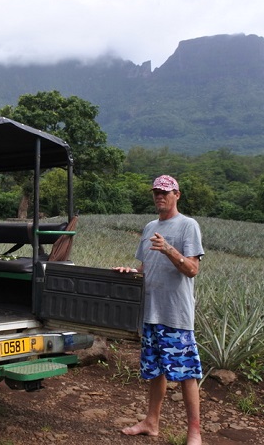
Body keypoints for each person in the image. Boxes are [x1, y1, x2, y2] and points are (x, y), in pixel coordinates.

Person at [113, 175, 204, 445]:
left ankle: (195, 433)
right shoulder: (149, 226)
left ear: (177, 194)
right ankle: (151, 423)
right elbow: (145, 269)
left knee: (187, 374)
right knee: (155, 371)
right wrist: (130, 272)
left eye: (165, 192)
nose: (159, 197)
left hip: (175, 315)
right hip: (151, 313)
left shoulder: (189, 225)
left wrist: (169, 250)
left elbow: (192, 269)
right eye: (156, 192)